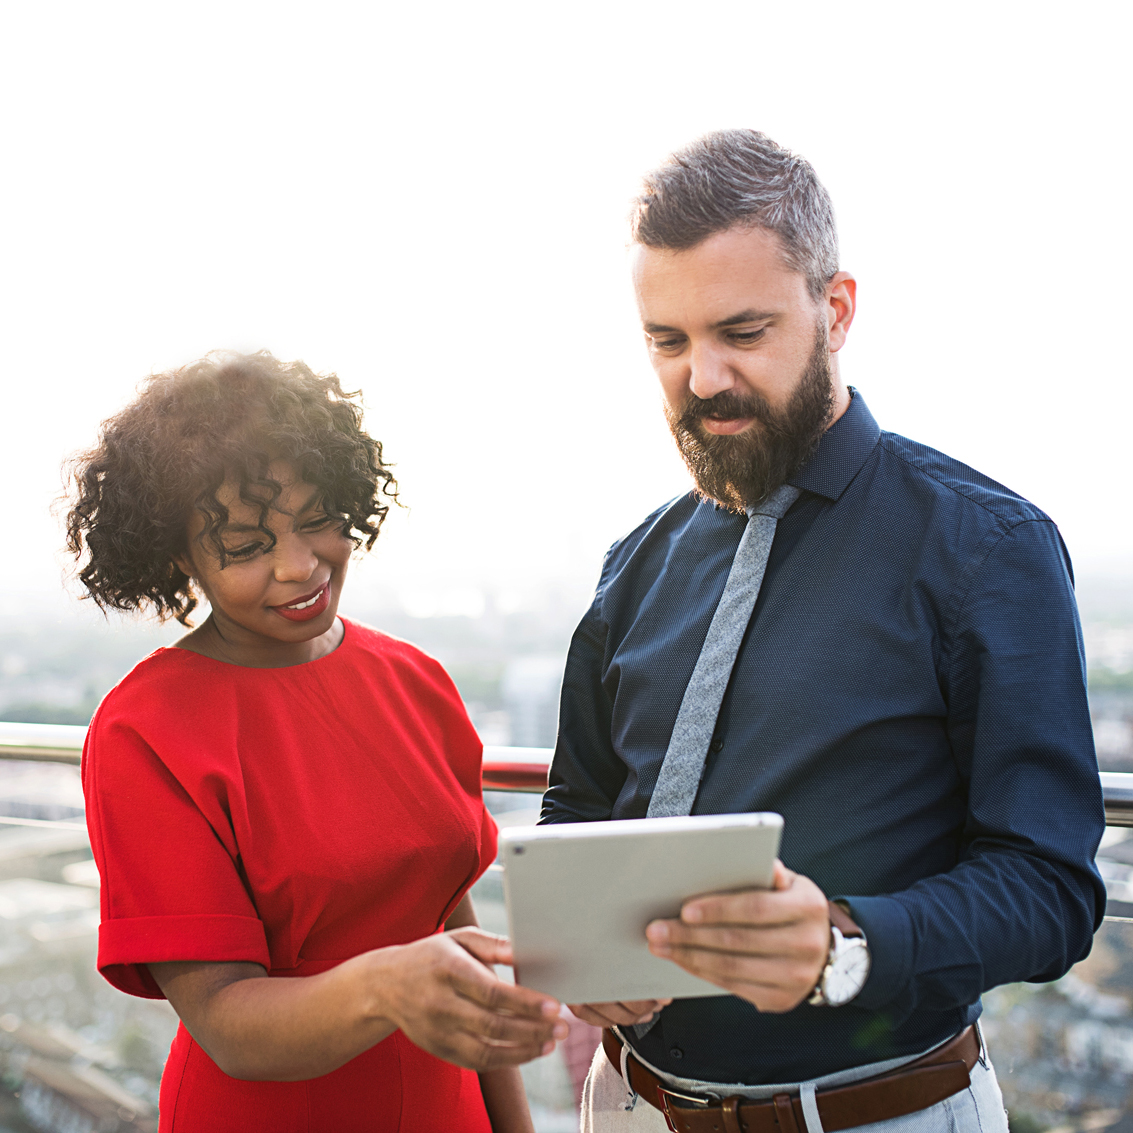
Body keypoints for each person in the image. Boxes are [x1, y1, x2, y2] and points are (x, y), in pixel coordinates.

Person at [541, 130, 1107, 1132]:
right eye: (666, 342)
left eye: (741, 331)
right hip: (621, 1107)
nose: (701, 376)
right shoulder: (632, 561)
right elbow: (576, 808)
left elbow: (1050, 889)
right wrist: (581, 954)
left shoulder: (987, 546)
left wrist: (846, 944)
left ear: (834, 309)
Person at [66, 352, 566, 1133]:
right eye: (244, 545)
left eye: (313, 520)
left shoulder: (415, 679)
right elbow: (227, 1021)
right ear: (176, 558)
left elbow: (451, 925)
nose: (298, 566)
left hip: (448, 1104)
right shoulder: (143, 731)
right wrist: (389, 985)